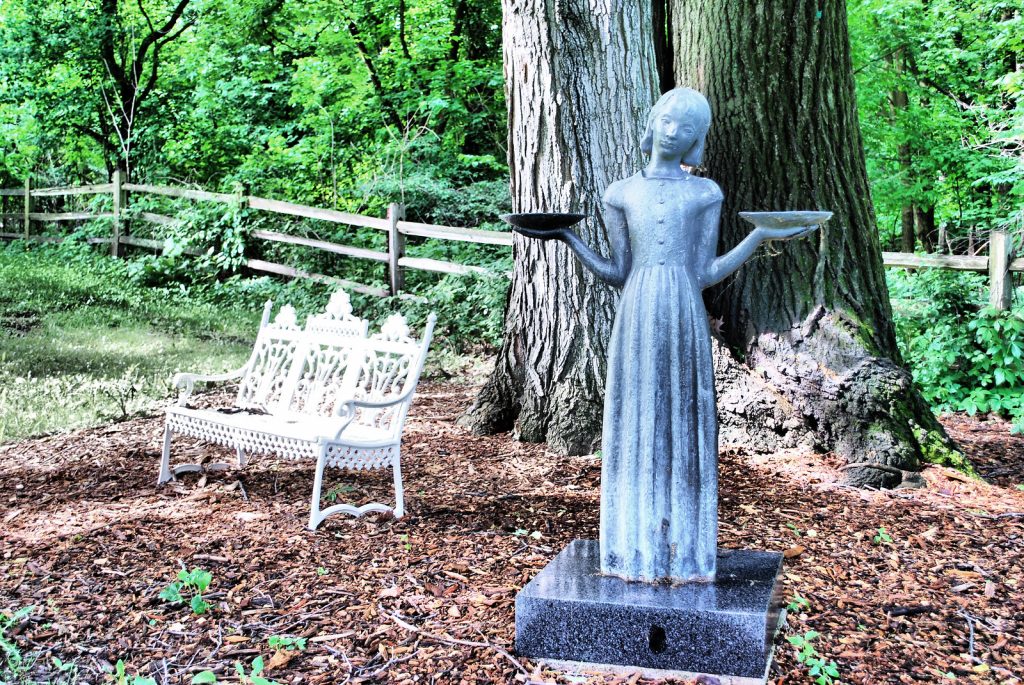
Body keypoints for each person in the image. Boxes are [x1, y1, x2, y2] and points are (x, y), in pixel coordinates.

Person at [517, 87, 815, 582]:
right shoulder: (620, 192)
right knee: (634, 412)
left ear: (697, 140)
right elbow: (617, 271)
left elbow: (706, 271)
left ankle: (687, 549)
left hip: (682, 309)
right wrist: (568, 238)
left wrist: (759, 236)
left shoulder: (705, 193)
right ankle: (627, 546)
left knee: (683, 411)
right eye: (668, 120)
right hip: (635, 312)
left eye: (688, 128)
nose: (674, 132)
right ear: (653, 121)